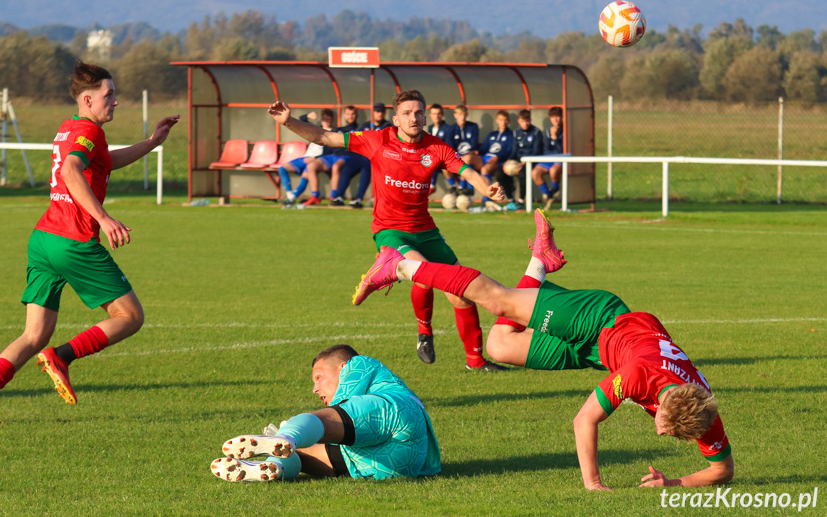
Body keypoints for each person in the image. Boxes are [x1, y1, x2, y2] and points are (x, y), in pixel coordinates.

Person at [353, 211, 734, 490]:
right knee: (499, 302)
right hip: (598, 319)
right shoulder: (639, 378)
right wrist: (594, 485)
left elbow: (723, 470)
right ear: (666, 407)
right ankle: (400, 266)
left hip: (598, 352)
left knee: (499, 345)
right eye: (666, 429)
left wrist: (673, 483)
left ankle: (542, 259)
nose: (661, 434)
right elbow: (584, 420)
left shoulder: (701, 407)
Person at [0, 61, 180, 425]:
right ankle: (62, 356)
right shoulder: (89, 133)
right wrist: (104, 219)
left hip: (43, 239)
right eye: (108, 95)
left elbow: (103, 163)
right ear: (87, 99)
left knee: (33, 334)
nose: (116, 101)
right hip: (72, 241)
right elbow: (70, 171)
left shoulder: (71, 128)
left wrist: (151, 142)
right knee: (129, 317)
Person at [268, 90, 508, 371]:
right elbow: (324, 137)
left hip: (425, 229)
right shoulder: (377, 139)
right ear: (396, 119)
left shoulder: (436, 148)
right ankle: (424, 332)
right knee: (423, 271)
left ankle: (476, 362)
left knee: (460, 293)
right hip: (390, 230)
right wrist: (289, 121)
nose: (414, 118)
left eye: (419, 112)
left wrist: (487, 189)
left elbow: (468, 172)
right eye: (407, 113)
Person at [209, 344, 441, 482]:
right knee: (300, 452)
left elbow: (331, 417)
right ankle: (273, 468)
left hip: (393, 411)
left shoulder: (359, 363)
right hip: (401, 465)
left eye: (319, 377)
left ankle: (283, 438)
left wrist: (291, 429)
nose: (315, 388)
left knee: (321, 422)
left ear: (342, 367)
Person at [331, 103, 388, 208]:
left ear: (385, 113)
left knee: (366, 167)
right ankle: (338, 197)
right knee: (347, 168)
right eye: (377, 111)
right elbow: (356, 139)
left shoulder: (387, 126)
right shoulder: (365, 126)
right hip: (361, 155)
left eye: (382, 111)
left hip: (377, 157)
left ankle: (359, 198)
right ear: (373, 113)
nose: (379, 114)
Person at [302, 106, 357, 206]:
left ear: (356, 115)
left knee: (336, 167)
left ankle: (334, 197)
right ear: (344, 115)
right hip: (331, 156)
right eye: (348, 114)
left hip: (346, 157)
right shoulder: (338, 129)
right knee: (311, 166)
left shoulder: (358, 129)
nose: (350, 116)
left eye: (352, 114)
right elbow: (303, 123)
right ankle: (315, 196)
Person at [463, 110, 514, 212]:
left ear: (508, 121)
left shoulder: (511, 135)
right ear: (497, 121)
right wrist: (476, 151)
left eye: (505, 120)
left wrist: (498, 157)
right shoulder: (492, 134)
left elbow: (510, 150)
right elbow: (484, 148)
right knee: (467, 158)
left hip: (496, 161)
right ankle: (470, 188)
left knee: (485, 169)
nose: (503, 122)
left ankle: (487, 199)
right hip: (484, 157)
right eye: (501, 120)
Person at [279, 110, 333, 205]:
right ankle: (289, 195)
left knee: (305, 178)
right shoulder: (316, 129)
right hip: (305, 157)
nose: (325, 120)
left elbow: (331, 151)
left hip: (316, 160)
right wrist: (308, 115)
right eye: (324, 117)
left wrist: (317, 158)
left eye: (328, 118)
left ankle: (292, 199)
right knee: (282, 169)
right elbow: (301, 121)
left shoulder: (334, 133)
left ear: (332, 119)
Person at [500, 109, 542, 211]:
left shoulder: (536, 132)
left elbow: (537, 151)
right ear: (519, 121)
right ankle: (510, 199)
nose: (525, 123)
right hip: (518, 162)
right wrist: (509, 161)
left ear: (530, 120)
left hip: (531, 161)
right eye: (522, 121)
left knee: (523, 173)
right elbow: (514, 151)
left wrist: (524, 163)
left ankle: (521, 200)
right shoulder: (516, 133)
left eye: (527, 121)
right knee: (500, 173)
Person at [445, 105, 481, 196]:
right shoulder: (451, 129)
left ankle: (463, 187)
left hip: (471, 157)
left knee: (466, 159)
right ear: (455, 115)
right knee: (443, 162)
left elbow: (474, 145)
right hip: (457, 157)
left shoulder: (473, 126)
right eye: (460, 114)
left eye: (464, 114)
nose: (462, 117)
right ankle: (453, 187)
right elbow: (450, 147)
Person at [531, 106, 565, 202]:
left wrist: (554, 137)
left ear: (562, 117)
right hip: (549, 157)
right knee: (535, 173)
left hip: (562, 158)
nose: (555, 119)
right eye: (553, 117)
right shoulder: (548, 130)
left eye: (558, 116)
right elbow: (546, 149)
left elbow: (561, 151)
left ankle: (555, 189)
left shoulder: (566, 130)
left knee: (554, 170)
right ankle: (549, 195)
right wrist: (552, 136)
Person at [426, 103, 455, 194]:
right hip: (432, 157)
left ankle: (452, 186)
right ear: (430, 115)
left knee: (436, 163)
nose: (436, 116)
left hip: (444, 157)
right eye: (434, 114)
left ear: (442, 114)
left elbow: (448, 145)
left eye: (438, 114)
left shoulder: (448, 128)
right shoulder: (430, 128)